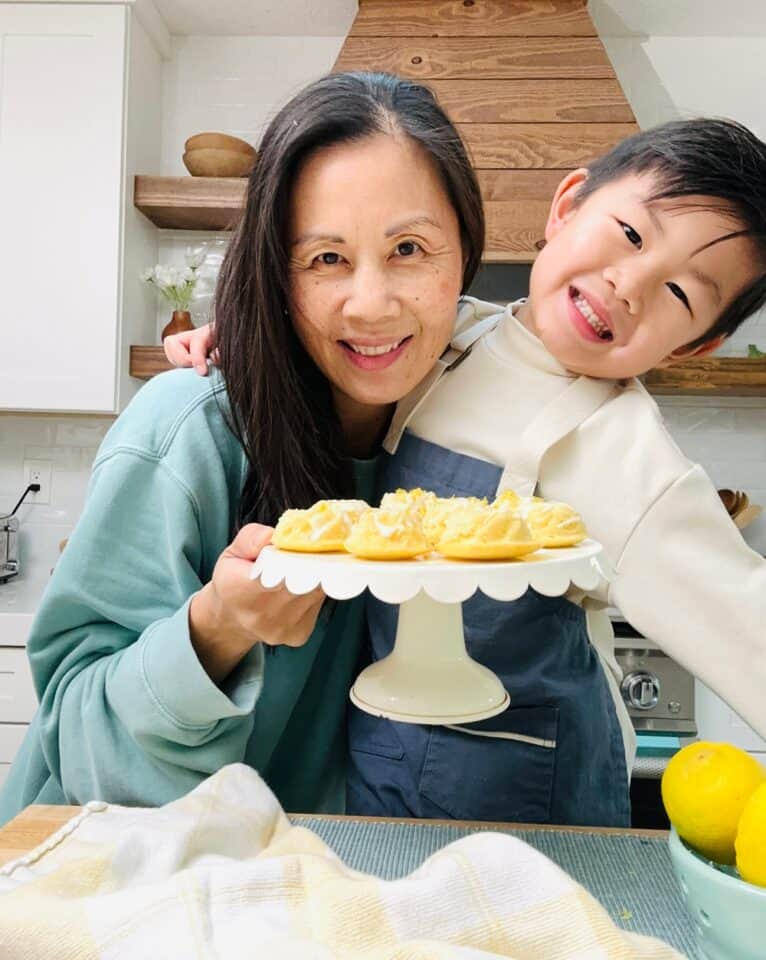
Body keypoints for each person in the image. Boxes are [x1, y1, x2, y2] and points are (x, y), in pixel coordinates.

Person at [167, 114, 766, 827]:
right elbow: (339, 330)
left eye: (680, 294)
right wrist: (241, 338)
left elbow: (747, 628)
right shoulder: (456, 334)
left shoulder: (626, 456)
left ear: (698, 345)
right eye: (632, 235)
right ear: (568, 204)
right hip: (384, 768)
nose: (629, 283)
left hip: (530, 807)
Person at [0, 71, 486, 826]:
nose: (371, 302)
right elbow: (80, 745)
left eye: (410, 248)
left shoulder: (462, 438)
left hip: (305, 886)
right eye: (326, 259)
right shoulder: (186, 429)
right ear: (276, 272)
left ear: (465, 256)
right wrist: (218, 627)